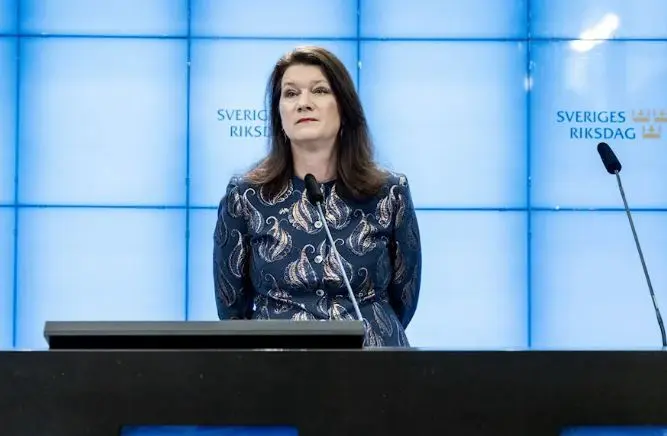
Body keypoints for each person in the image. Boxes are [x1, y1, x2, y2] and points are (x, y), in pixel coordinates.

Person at [212, 45, 422, 347]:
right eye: (291, 93)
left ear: (344, 108)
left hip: (373, 364)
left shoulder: (389, 193)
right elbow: (231, 309)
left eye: (320, 91)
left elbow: (404, 298)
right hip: (276, 367)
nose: (304, 103)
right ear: (279, 114)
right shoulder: (245, 197)